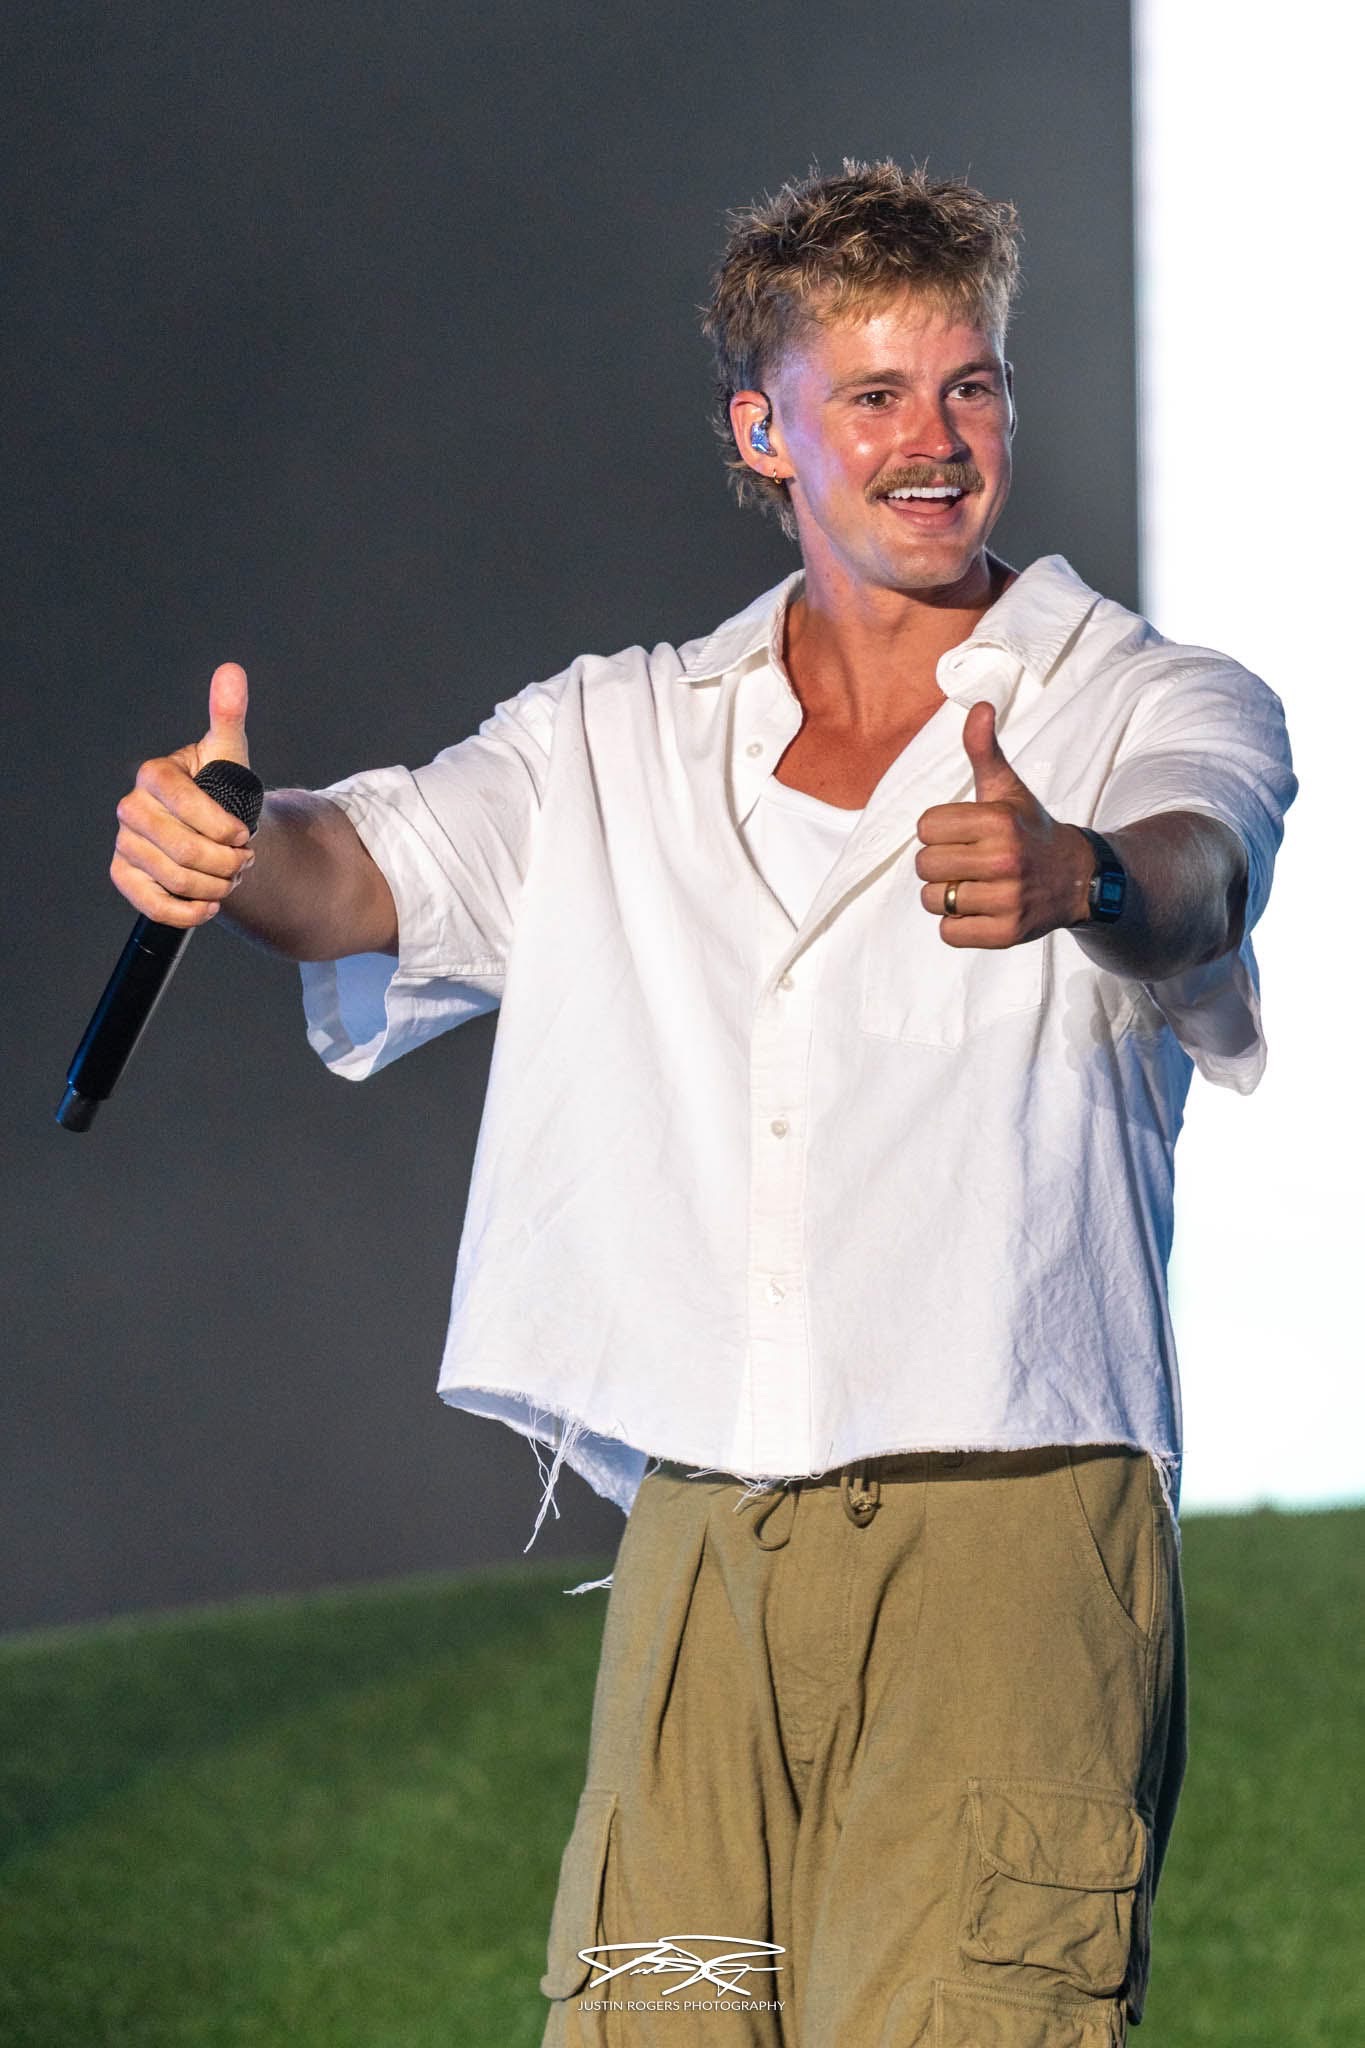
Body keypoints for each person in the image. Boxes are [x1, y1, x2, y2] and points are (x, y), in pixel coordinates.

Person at [108, 160, 1295, 2045]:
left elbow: (1201, 872)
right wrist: (233, 845)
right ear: (763, 432)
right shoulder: (615, 731)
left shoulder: (1151, 692)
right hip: (698, 1551)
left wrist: (1077, 872)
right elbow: (361, 871)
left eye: (969, 386)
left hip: (1007, 1533)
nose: (934, 441)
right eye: (874, 395)